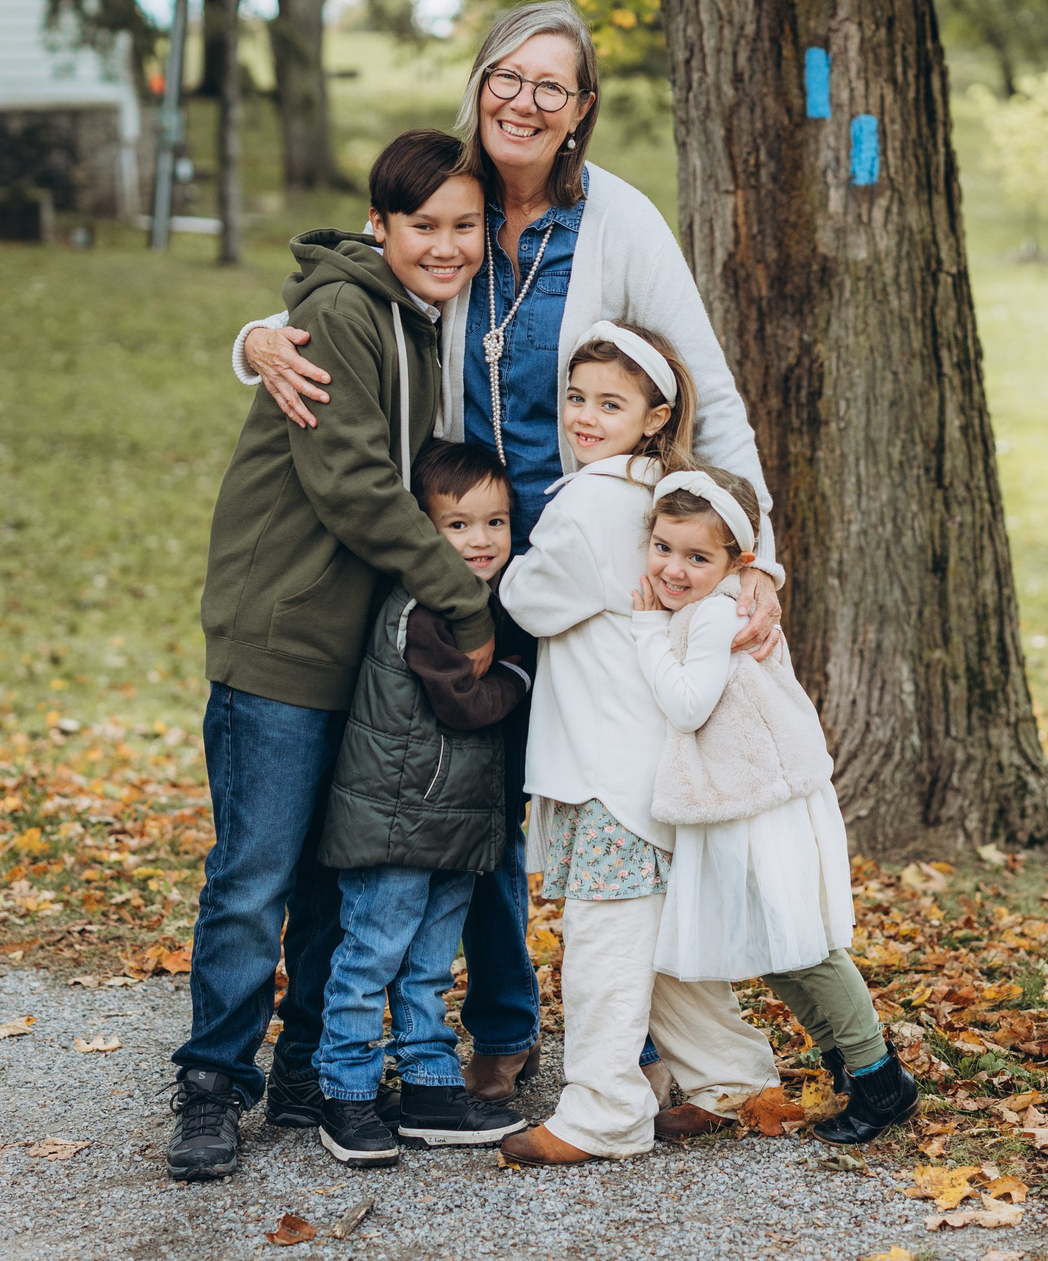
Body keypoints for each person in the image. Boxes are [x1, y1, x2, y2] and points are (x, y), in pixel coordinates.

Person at [232, 0, 788, 1101]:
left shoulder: (620, 221)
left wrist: (756, 553)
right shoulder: (452, 202)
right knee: (475, 787)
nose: (523, 100)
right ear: (479, 82)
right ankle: (502, 1021)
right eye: (507, 76)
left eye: (551, 85)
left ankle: (633, 1044)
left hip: (595, 568)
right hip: (460, 558)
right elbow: (334, 295)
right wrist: (250, 343)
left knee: (610, 797)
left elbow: (710, 394)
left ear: (579, 110)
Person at [167, 130, 498, 1182]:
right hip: (282, 633)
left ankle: (307, 1067)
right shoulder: (343, 313)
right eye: (423, 225)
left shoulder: (425, 321)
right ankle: (212, 1081)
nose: (445, 245)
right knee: (254, 874)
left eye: (463, 225)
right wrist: (462, 599)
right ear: (380, 226)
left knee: (329, 871)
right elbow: (355, 484)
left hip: (359, 650)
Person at [491, 321, 788, 1164]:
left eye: (609, 403)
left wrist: (515, 563)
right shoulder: (673, 499)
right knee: (655, 946)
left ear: (655, 416)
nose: (584, 416)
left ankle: (603, 1111)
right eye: (576, 397)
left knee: (605, 945)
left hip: (606, 770)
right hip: (651, 760)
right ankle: (734, 1082)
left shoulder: (589, 500)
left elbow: (528, 602)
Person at [630, 465, 920, 1146]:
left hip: (758, 810)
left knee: (807, 949)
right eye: (663, 548)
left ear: (739, 562)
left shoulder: (711, 617)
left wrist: (645, 632)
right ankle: (845, 1065)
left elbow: (686, 704)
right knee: (782, 951)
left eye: (697, 557)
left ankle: (881, 1081)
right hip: (747, 803)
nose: (673, 569)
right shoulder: (715, 604)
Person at [310, 440, 537, 1166]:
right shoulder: (428, 608)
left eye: (496, 523)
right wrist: (521, 678)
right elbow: (465, 702)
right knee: (372, 955)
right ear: (423, 530)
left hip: (450, 823)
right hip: (398, 821)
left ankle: (431, 1083)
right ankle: (344, 1092)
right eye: (459, 525)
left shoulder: (479, 603)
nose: (482, 540)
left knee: (431, 963)